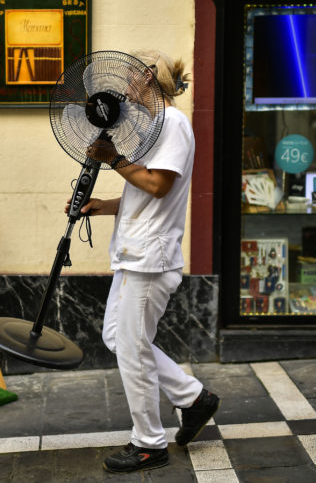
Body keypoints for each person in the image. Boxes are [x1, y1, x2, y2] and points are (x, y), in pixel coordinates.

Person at [69, 50, 219, 474]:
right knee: (119, 338)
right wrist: (102, 206)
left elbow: (157, 185)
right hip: (134, 253)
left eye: (133, 73)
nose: (126, 81)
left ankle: (149, 443)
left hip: (150, 259)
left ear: (150, 78)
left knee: (132, 349)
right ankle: (193, 397)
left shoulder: (172, 123)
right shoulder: (154, 126)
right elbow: (144, 191)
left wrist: (112, 159)